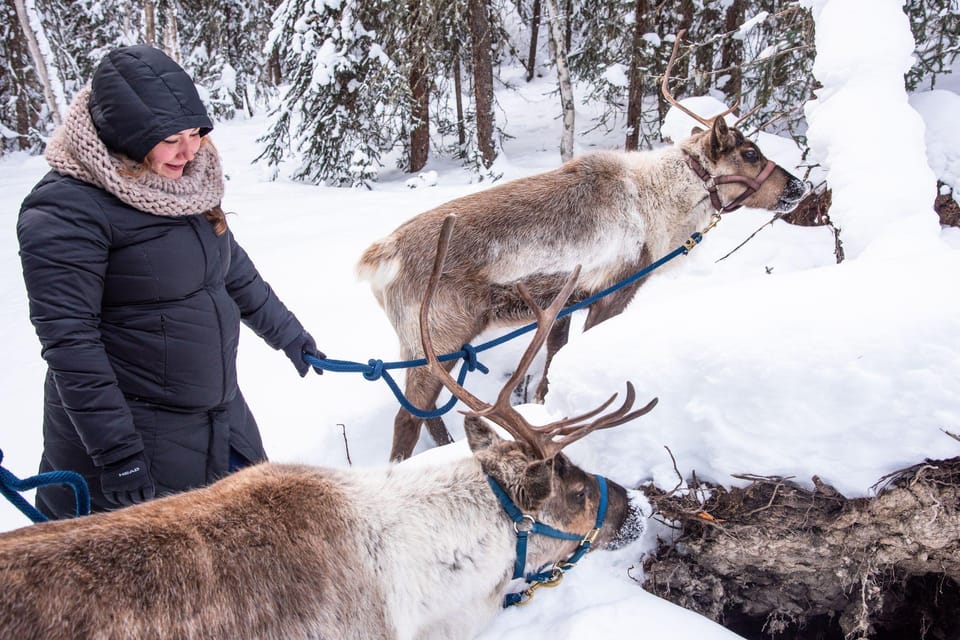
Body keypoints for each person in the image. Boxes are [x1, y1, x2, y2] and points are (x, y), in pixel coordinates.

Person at [17, 45, 324, 520]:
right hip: (134, 445)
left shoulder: (186, 182)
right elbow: (70, 342)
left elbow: (232, 270)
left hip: (218, 421)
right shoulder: (66, 210)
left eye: (196, 133)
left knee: (247, 554)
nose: (190, 150)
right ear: (127, 137)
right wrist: (117, 454)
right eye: (170, 138)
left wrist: (291, 337)